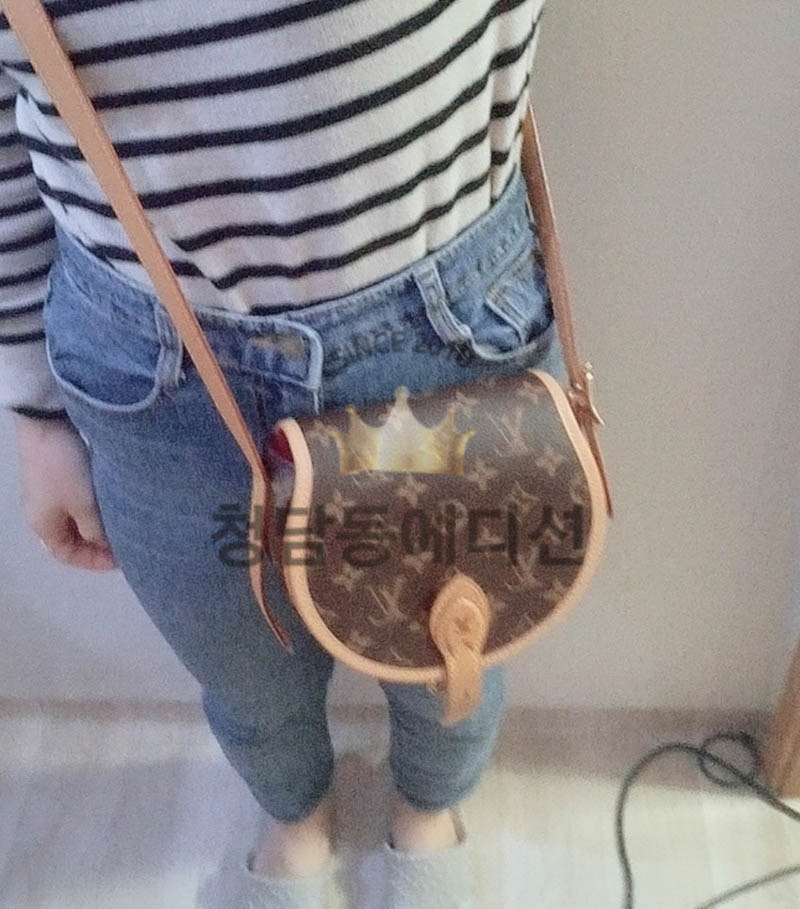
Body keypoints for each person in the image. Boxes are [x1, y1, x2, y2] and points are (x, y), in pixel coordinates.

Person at [2, 1, 562, 906]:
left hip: (444, 328)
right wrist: (34, 407)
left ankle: (428, 807)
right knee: (241, 663)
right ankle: (295, 814)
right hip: (155, 368)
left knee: (452, 638)